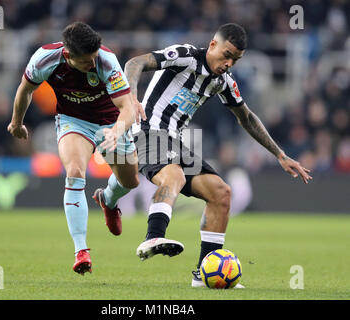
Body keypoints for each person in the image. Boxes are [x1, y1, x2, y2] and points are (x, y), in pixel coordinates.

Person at [124, 23, 312, 287]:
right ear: (213, 44)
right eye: (227, 54)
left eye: (235, 59)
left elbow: (245, 117)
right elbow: (134, 63)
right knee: (174, 174)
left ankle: (204, 273)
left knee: (221, 193)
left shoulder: (222, 81)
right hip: (147, 131)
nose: (229, 63)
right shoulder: (185, 55)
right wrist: (132, 98)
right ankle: (153, 237)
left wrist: (280, 155)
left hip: (174, 142)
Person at [8, 22, 140, 275]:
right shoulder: (45, 58)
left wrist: (116, 131)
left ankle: (108, 199)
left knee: (130, 181)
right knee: (75, 172)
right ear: (68, 55)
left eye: (93, 58)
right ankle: (81, 251)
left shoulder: (106, 61)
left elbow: (127, 108)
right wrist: (16, 122)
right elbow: (26, 90)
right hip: (73, 120)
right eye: (85, 62)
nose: (92, 64)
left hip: (111, 121)